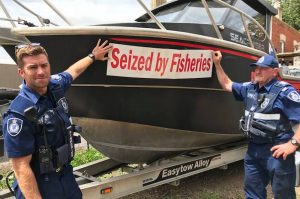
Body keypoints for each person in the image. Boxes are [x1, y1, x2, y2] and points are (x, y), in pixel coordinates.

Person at [2, 39, 112, 199]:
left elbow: (72, 71)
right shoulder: (18, 114)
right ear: (22, 72)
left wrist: (93, 55)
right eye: (33, 67)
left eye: (44, 65)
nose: (41, 71)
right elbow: (21, 167)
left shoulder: (55, 86)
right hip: (40, 184)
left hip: (65, 176)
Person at [212, 51, 300, 199]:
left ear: (274, 72)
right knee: (252, 193)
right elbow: (227, 84)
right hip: (253, 151)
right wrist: (217, 64)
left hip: (277, 152)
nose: (257, 70)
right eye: (256, 67)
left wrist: (292, 144)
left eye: (263, 68)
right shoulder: (249, 88)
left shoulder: (285, 92)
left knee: (283, 194)